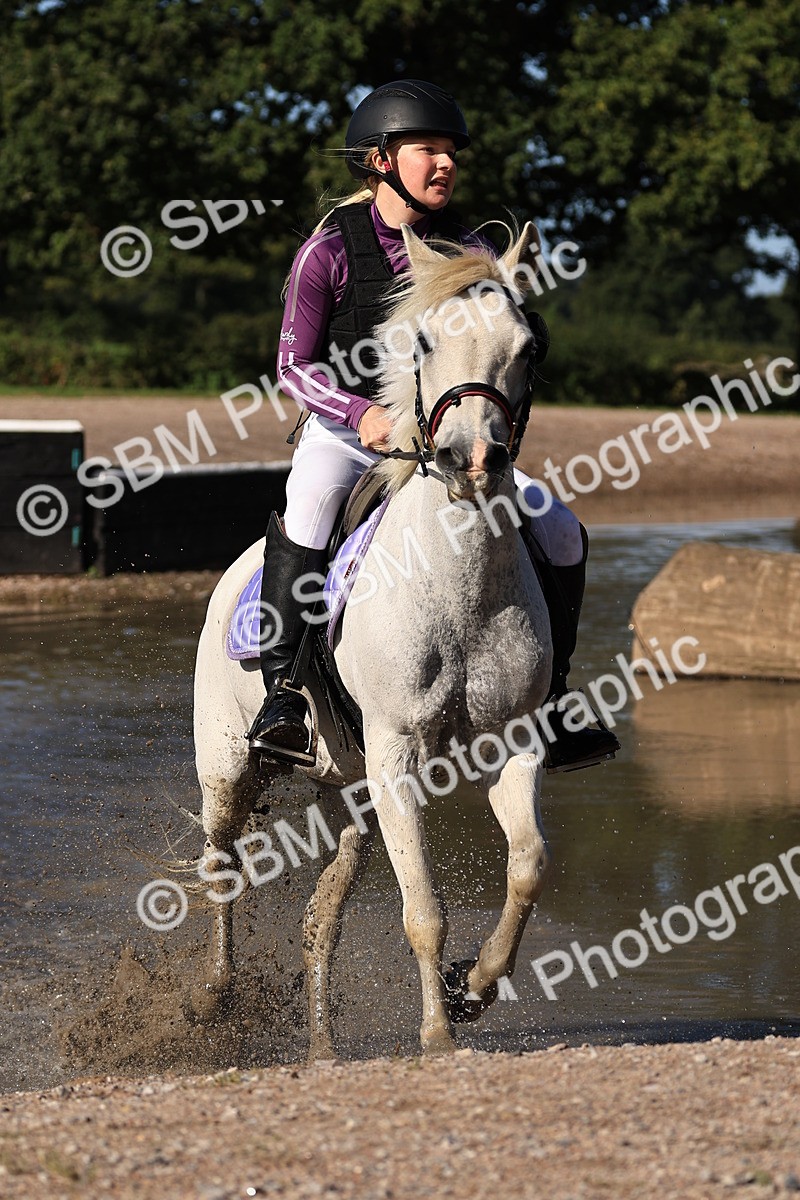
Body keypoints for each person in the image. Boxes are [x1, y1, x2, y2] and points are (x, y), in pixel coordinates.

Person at [247, 79, 620, 773]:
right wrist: (362, 415)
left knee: (562, 529)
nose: (446, 164)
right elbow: (292, 368)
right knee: (310, 510)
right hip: (349, 435)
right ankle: (283, 698)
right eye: (429, 150)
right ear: (381, 159)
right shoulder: (326, 253)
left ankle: (556, 700)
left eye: (452, 152)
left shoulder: (470, 246)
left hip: (445, 437)